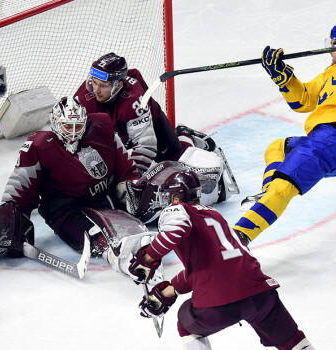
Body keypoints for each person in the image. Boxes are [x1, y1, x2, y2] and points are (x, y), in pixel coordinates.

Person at [127, 169, 315, 350]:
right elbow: (212, 266)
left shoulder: (177, 209)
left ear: (175, 198)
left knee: (186, 325)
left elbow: (176, 231)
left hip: (218, 305)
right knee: (293, 341)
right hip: (261, 295)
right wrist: (171, 289)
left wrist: (147, 257)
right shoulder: (215, 215)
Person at [0, 96, 161, 277]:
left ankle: (151, 241)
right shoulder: (38, 146)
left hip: (103, 198)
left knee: (146, 206)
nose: (73, 132)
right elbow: (20, 184)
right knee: (92, 234)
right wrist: (10, 219)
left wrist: (127, 185)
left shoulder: (101, 129)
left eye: (78, 126)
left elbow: (124, 165)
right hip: (64, 208)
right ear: (56, 123)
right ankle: (114, 257)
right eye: (68, 126)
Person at [74, 52, 237, 205]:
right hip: (119, 125)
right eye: (94, 82)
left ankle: (185, 135)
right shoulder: (85, 96)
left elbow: (146, 146)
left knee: (174, 157)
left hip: (150, 122)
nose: (95, 89)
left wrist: (131, 180)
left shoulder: (134, 101)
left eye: (103, 85)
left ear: (118, 85)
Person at [233, 25, 336, 245]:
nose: (331, 51)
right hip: (324, 139)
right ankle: (269, 194)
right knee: (278, 147)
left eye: (335, 45)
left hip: (330, 138)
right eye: (332, 45)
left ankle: (236, 240)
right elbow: (304, 100)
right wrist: (283, 77)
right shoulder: (331, 73)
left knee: (285, 183)